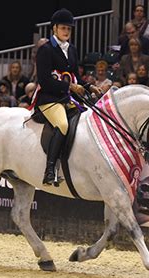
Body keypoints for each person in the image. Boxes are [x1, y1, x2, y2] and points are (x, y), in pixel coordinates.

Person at [34, 8, 101, 185]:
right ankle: (49, 171)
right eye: (63, 28)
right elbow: (45, 80)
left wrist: (89, 86)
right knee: (63, 125)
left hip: (67, 100)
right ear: (54, 28)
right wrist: (71, 87)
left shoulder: (71, 50)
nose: (66, 31)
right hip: (49, 99)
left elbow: (75, 76)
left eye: (69, 29)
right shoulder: (46, 49)